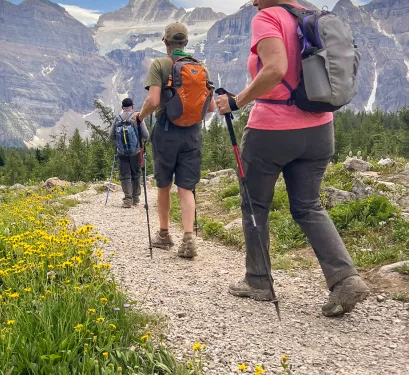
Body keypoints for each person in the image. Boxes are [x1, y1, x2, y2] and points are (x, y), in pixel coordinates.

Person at [216, 0, 369, 317]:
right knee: (308, 206)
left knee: (255, 203)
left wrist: (237, 101)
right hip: (320, 129)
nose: (254, 2)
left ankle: (258, 280)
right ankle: (345, 279)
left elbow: (275, 68)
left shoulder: (268, 17)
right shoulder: (312, 14)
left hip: (273, 131)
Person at [133, 23, 217, 258]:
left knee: (163, 185)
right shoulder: (200, 67)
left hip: (167, 131)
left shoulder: (160, 65)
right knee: (186, 187)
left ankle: (164, 234)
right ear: (186, 43)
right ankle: (189, 238)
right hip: (192, 133)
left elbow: (152, 101)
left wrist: (139, 118)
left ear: (165, 42)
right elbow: (210, 107)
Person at [109, 97, 149, 208]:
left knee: (125, 175)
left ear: (122, 107)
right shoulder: (137, 117)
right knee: (136, 174)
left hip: (121, 152)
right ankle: (136, 199)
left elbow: (111, 136)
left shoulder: (117, 118)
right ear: (132, 106)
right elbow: (146, 135)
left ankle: (127, 200)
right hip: (135, 151)